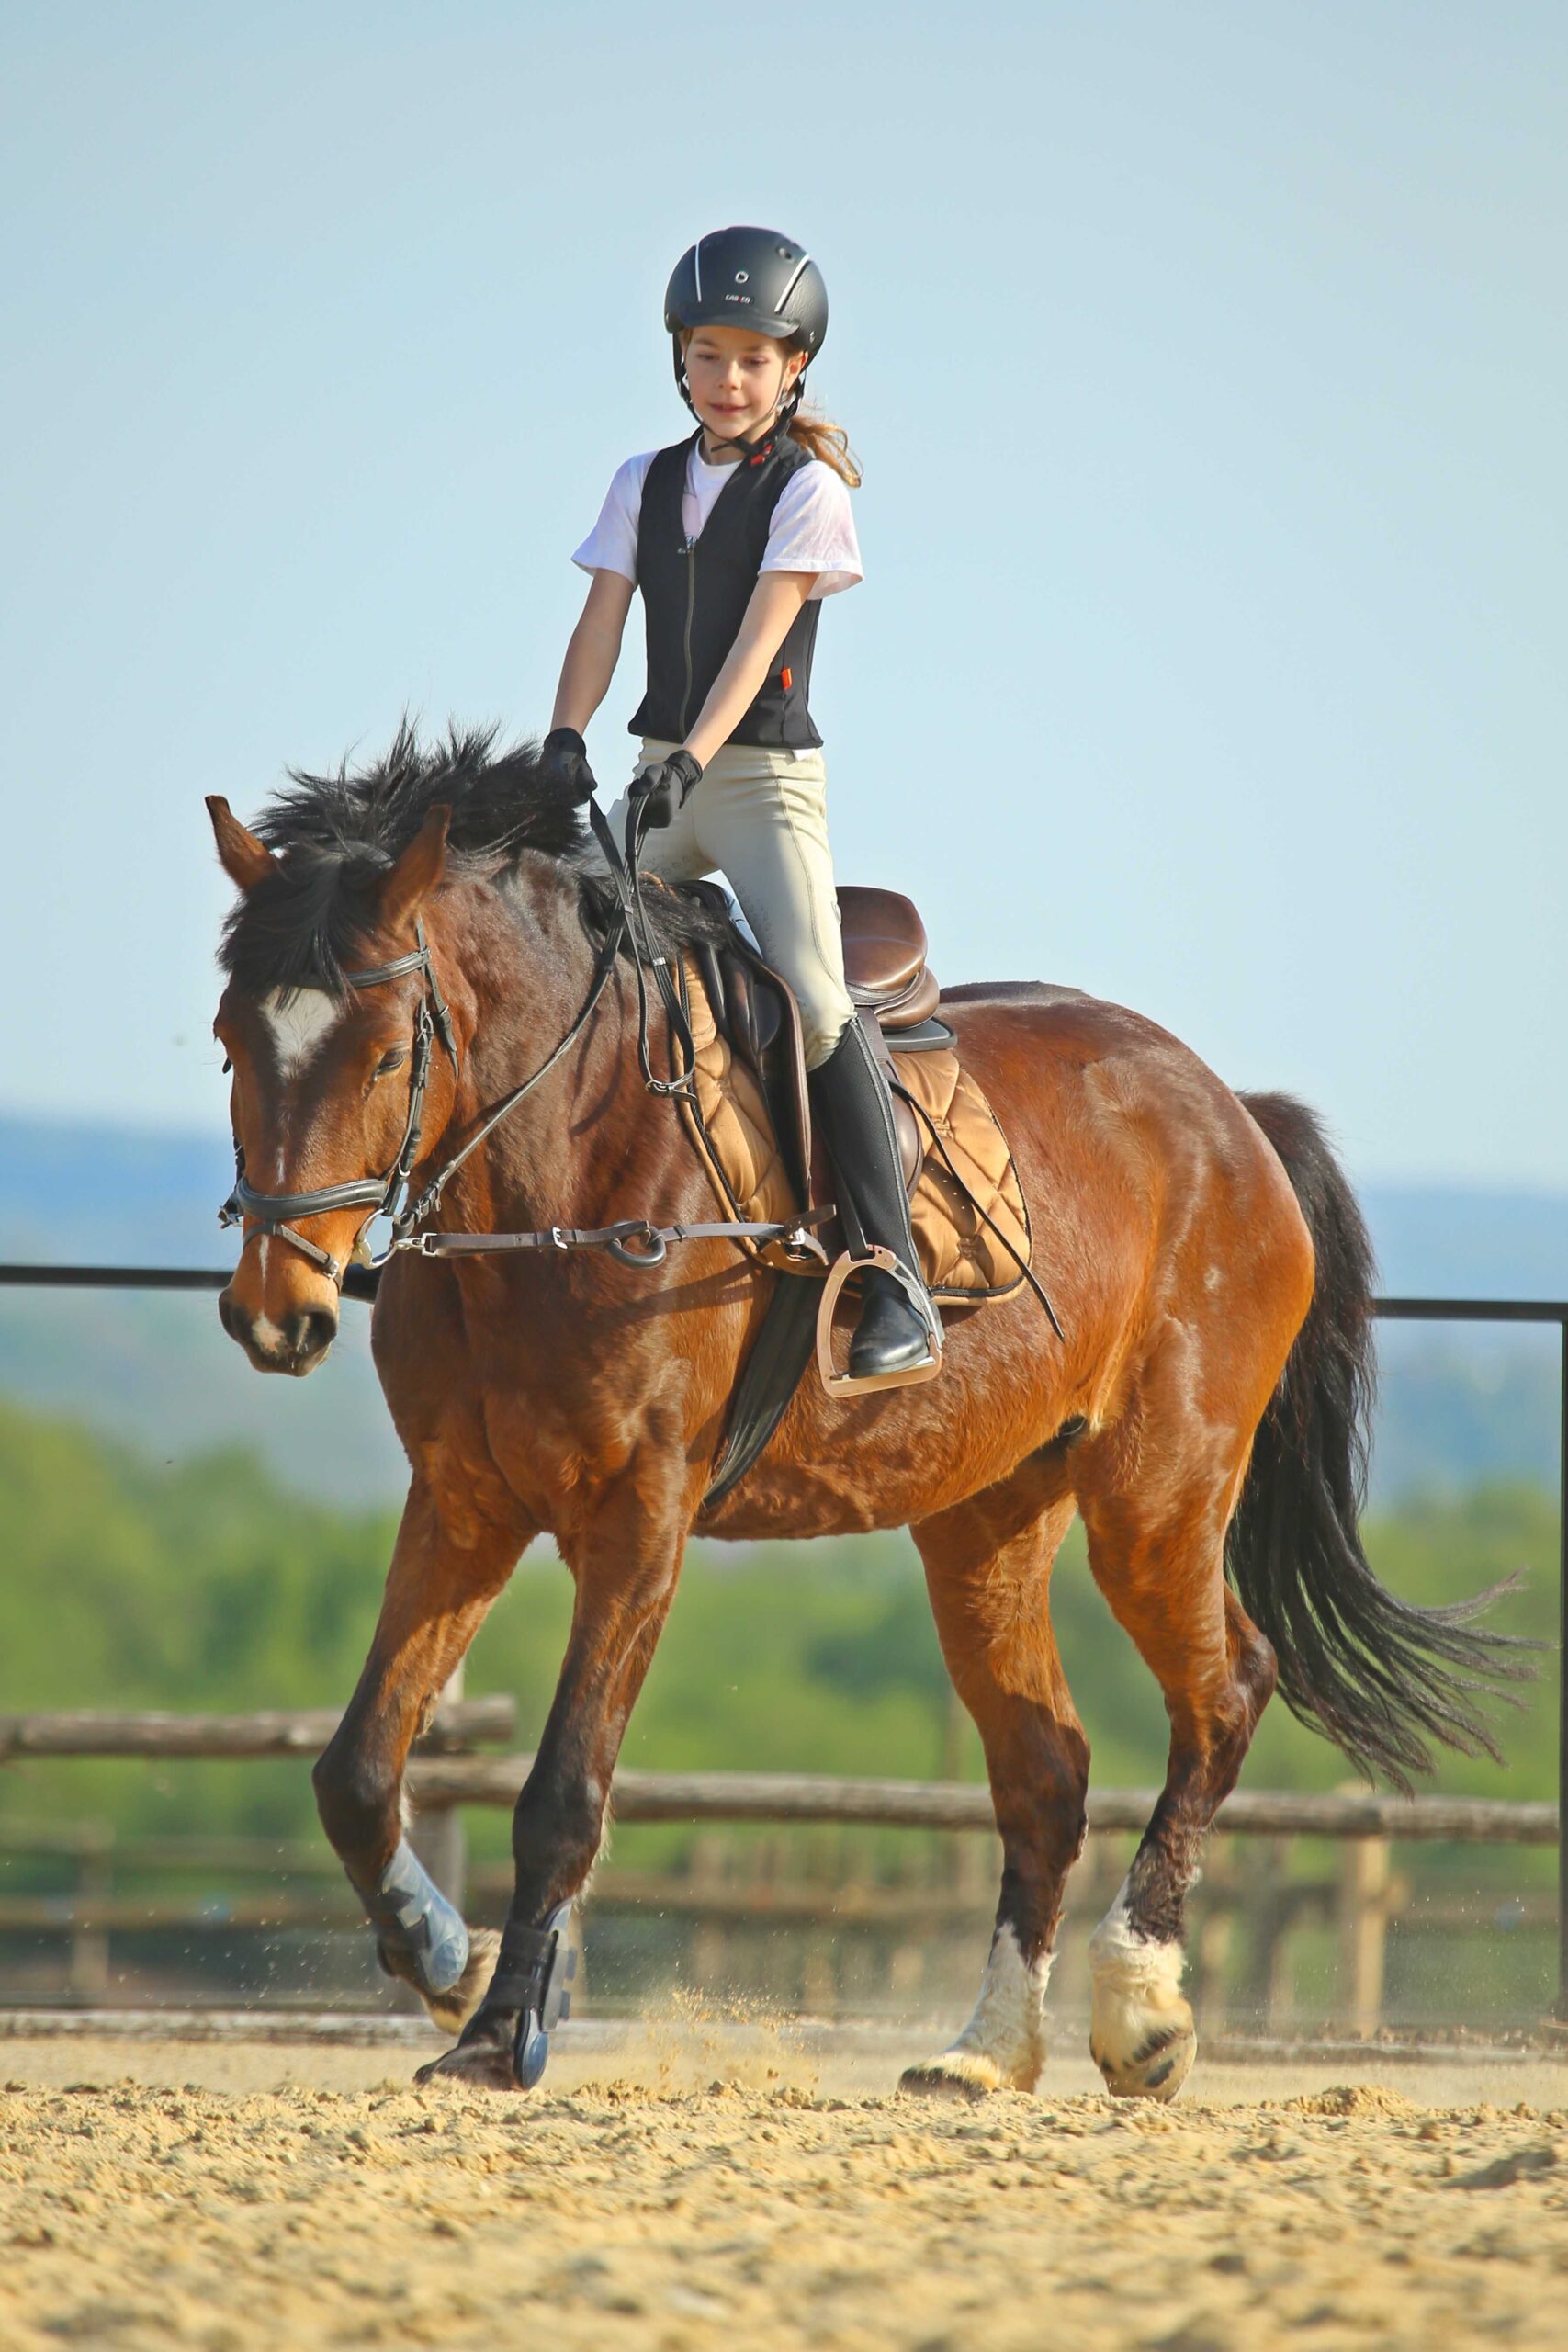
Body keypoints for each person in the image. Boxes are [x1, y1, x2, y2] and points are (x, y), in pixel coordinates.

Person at [541, 225, 940, 1384]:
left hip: (758, 783)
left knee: (814, 996)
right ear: (680, 359)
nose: (729, 378)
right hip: (659, 773)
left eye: (754, 359)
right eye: (709, 355)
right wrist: (564, 736)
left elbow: (763, 639)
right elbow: (601, 621)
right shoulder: (641, 480)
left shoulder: (809, 490)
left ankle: (895, 1273)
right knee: (542, 957)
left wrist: (692, 757)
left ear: (794, 368)